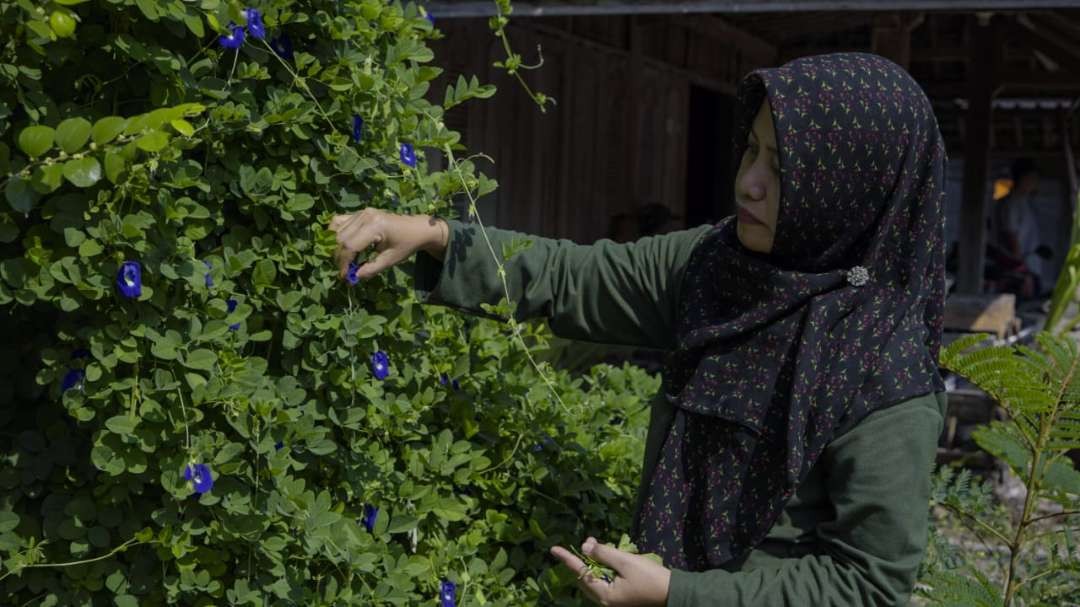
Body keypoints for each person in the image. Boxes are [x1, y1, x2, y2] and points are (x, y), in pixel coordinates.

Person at [329, 52, 947, 606]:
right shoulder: (716, 266)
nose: (748, 182)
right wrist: (437, 238)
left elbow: (867, 585)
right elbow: (576, 277)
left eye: (783, 167)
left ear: (848, 188)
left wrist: (678, 595)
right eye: (752, 150)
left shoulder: (883, 369)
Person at [987, 158, 1045, 299]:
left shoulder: (1024, 202)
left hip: (1027, 268)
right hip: (1018, 271)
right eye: (1033, 178)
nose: (1035, 182)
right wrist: (1022, 272)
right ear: (1024, 178)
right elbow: (1011, 237)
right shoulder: (1010, 203)